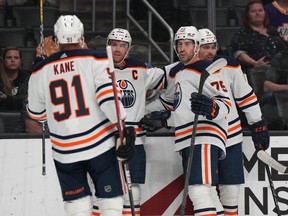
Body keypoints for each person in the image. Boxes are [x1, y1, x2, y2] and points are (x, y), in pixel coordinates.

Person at [27, 15, 135, 216]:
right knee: (110, 203)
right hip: (99, 145)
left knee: (77, 207)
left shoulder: (40, 71)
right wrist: (123, 127)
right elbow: (108, 100)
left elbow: (37, 114)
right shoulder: (96, 59)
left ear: (57, 40)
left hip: (64, 150)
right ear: (82, 36)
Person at [142, 26, 232, 215]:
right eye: (179, 44)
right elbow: (178, 107)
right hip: (191, 137)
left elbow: (225, 103)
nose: (182, 49)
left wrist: (211, 107)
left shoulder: (204, 69)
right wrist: (160, 118)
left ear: (197, 46)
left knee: (199, 190)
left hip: (204, 136)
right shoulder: (182, 72)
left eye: (187, 44)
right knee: (207, 192)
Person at [92, 28, 166, 216]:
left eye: (122, 45)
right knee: (101, 188)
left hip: (135, 137)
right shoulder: (95, 68)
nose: (117, 49)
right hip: (104, 137)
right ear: (107, 45)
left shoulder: (140, 68)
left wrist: (152, 108)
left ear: (128, 48)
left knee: (132, 189)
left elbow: (170, 80)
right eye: (114, 44)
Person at [198, 28, 270, 216]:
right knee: (205, 192)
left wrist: (257, 124)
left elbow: (245, 96)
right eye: (205, 47)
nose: (210, 51)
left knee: (231, 192)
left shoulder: (229, 65)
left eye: (213, 47)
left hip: (231, 136)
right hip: (204, 139)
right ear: (196, 48)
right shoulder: (187, 69)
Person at [231, 0, 288, 129]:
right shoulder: (243, 34)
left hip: (278, 75)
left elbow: (283, 52)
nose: (257, 14)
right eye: (253, 11)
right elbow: (238, 53)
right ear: (248, 15)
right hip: (256, 78)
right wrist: (255, 63)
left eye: (260, 10)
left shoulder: (273, 31)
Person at [0, 47, 30, 111]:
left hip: (22, 116)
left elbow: (27, 101)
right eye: (9, 57)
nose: (12, 60)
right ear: (4, 60)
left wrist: (6, 98)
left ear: (20, 61)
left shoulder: (27, 78)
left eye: (16, 58)